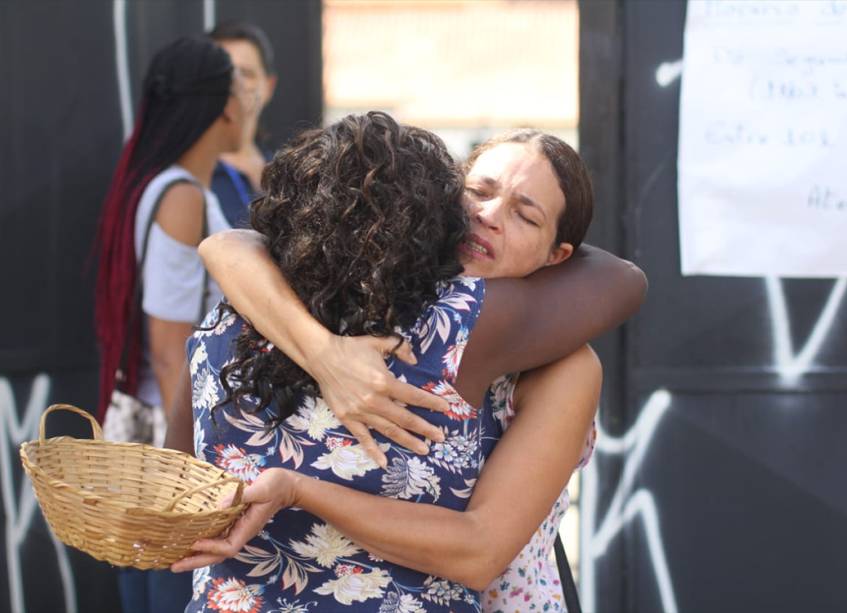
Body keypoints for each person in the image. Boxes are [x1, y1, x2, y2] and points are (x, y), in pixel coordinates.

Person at [169, 114, 645, 612]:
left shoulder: (547, 357)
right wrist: (324, 353)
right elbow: (228, 245)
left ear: (559, 256)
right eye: (477, 191)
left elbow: (227, 244)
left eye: (527, 216)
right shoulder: (355, 310)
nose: (490, 215)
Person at [93, 36, 249, 613]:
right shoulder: (180, 195)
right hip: (171, 446)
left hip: (153, 438)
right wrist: (187, 469)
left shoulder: (159, 183)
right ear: (226, 105)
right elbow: (168, 346)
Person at [208, 21, 277, 227]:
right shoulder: (193, 177)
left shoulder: (284, 170)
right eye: (226, 72)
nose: (235, 84)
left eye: (246, 73)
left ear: (269, 86)